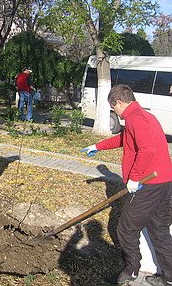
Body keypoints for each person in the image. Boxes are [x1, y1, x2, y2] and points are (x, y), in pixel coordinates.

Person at [81, 84, 172, 286]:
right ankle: (169, 276)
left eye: (114, 108)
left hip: (149, 184)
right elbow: (126, 139)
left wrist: (134, 178)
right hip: (164, 182)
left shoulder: (135, 119)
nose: (116, 113)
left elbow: (146, 150)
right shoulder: (143, 116)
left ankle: (131, 270)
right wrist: (98, 146)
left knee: (126, 229)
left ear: (120, 102)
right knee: (159, 229)